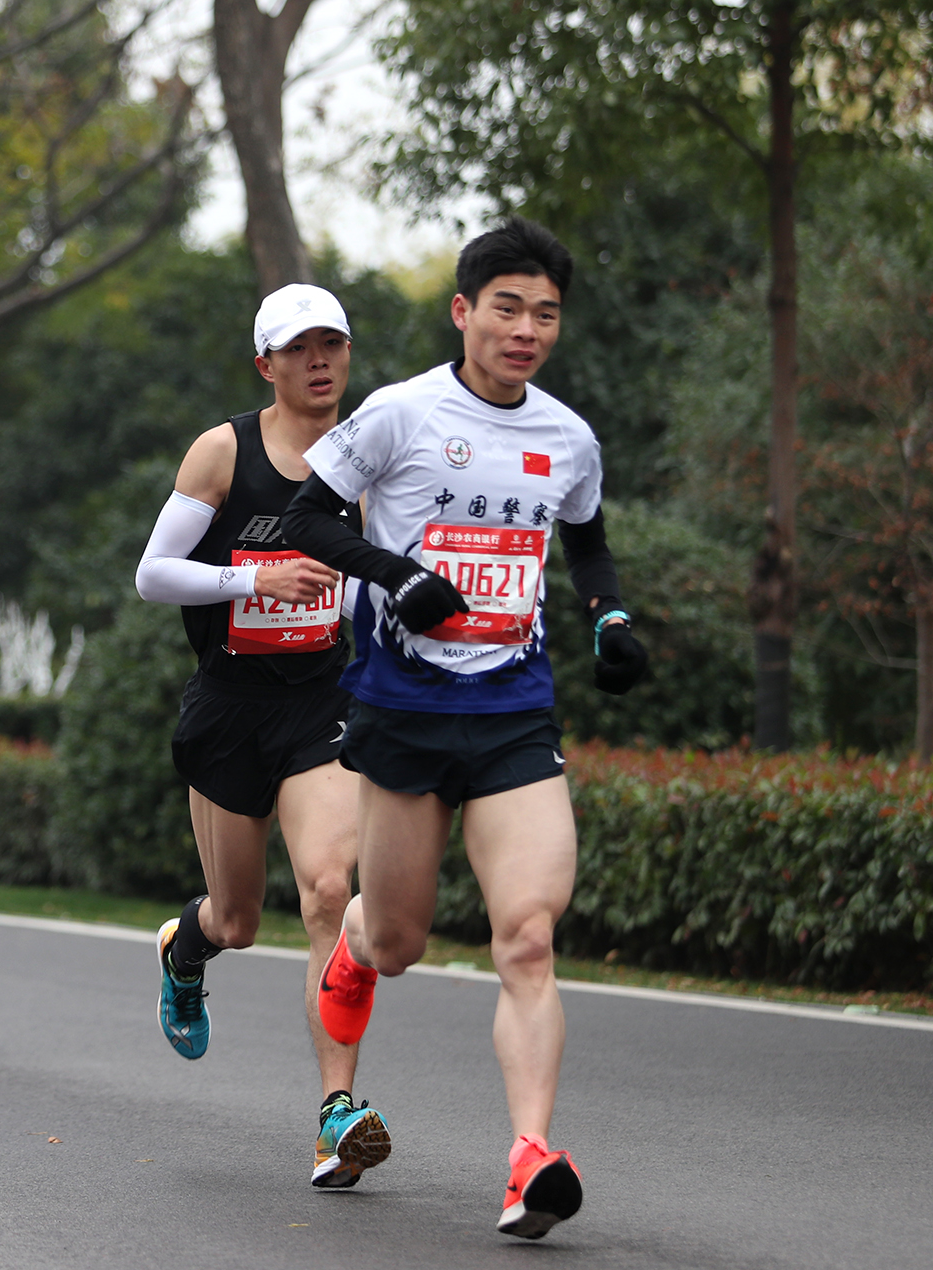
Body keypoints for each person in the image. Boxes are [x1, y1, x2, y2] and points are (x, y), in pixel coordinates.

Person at [281, 218, 649, 1240]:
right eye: (507, 308)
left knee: (527, 936)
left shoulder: (567, 437)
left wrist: (608, 616)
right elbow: (308, 518)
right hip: (402, 713)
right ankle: (354, 943)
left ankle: (532, 1157)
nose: (526, 329)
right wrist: (400, 575)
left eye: (545, 313)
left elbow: (586, 540)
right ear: (463, 311)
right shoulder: (398, 416)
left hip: (512, 713)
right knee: (396, 940)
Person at [133, 282, 392, 1189]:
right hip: (229, 706)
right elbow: (153, 575)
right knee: (238, 920)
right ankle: (186, 948)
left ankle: (337, 1114)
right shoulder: (223, 451)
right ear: (266, 365)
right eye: (300, 348)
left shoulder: (370, 453)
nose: (320, 361)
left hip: (318, 702)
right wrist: (255, 583)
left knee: (329, 891)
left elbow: (367, 578)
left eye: (334, 345)